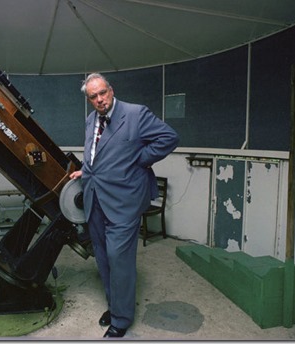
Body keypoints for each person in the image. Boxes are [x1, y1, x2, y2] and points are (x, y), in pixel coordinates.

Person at [69, 73, 179, 337]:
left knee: (120, 259)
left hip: (124, 201)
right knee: (103, 257)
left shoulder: (135, 114)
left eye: (102, 93)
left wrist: (139, 159)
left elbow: (169, 138)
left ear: (111, 90)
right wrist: (86, 170)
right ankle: (115, 305)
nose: (99, 100)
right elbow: (98, 154)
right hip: (95, 198)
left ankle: (121, 319)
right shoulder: (90, 120)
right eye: (93, 96)